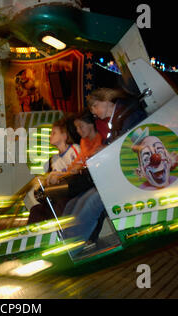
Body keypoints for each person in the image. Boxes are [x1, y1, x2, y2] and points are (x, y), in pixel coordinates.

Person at [60, 88, 148, 257]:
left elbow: (132, 145)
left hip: (133, 177)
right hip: (120, 175)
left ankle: (71, 249)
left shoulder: (130, 116)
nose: (93, 112)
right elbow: (116, 143)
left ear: (107, 100)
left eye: (94, 106)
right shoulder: (118, 119)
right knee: (78, 201)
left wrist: (105, 149)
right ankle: (65, 241)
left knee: (92, 202)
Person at [25, 117, 81, 224]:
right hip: (60, 194)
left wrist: (59, 175)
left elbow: (79, 170)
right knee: (36, 210)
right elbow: (52, 179)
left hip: (74, 192)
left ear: (64, 136)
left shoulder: (74, 149)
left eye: (54, 133)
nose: (50, 136)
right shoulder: (54, 159)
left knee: (59, 205)